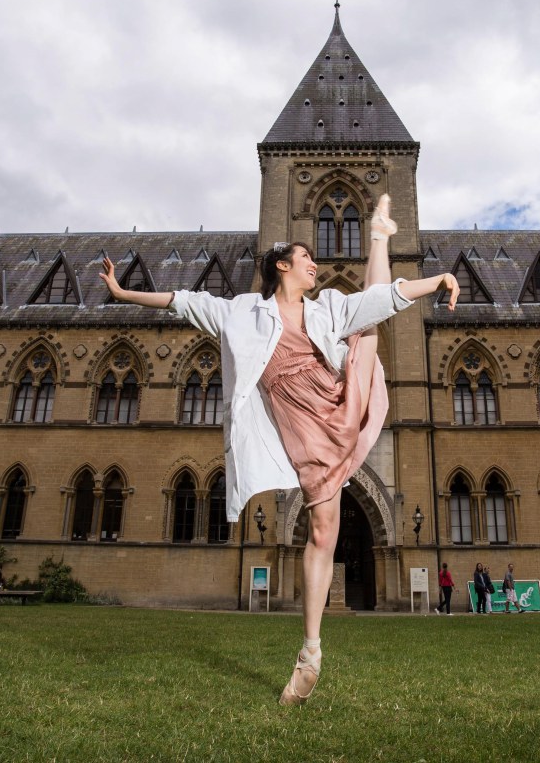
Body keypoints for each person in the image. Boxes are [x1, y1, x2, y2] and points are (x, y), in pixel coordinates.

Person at [100, 194, 459, 705]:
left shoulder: (326, 308)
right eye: (306, 257)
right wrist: (121, 293)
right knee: (322, 529)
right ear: (282, 266)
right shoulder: (243, 314)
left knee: (369, 321)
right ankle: (310, 653)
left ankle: (381, 237)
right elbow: (183, 301)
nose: (316, 264)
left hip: (338, 400)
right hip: (306, 432)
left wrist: (437, 279)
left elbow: (385, 298)